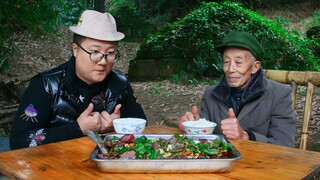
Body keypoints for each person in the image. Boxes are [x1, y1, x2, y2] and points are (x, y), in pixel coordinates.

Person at [10, 10, 146, 150]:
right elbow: (18, 141)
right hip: (53, 168)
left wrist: (118, 128)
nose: (103, 61)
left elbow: (143, 126)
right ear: (75, 49)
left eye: (110, 53)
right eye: (94, 52)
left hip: (104, 166)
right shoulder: (46, 85)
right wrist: (77, 129)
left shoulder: (120, 83)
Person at [179, 31, 296, 147]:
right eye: (226, 62)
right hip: (220, 163)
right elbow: (205, 140)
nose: (230, 69)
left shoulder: (279, 94)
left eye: (238, 62)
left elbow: (284, 145)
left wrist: (246, 137)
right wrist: (194, 125)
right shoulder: (210, 94)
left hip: (259, 164)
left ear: (255, 67)